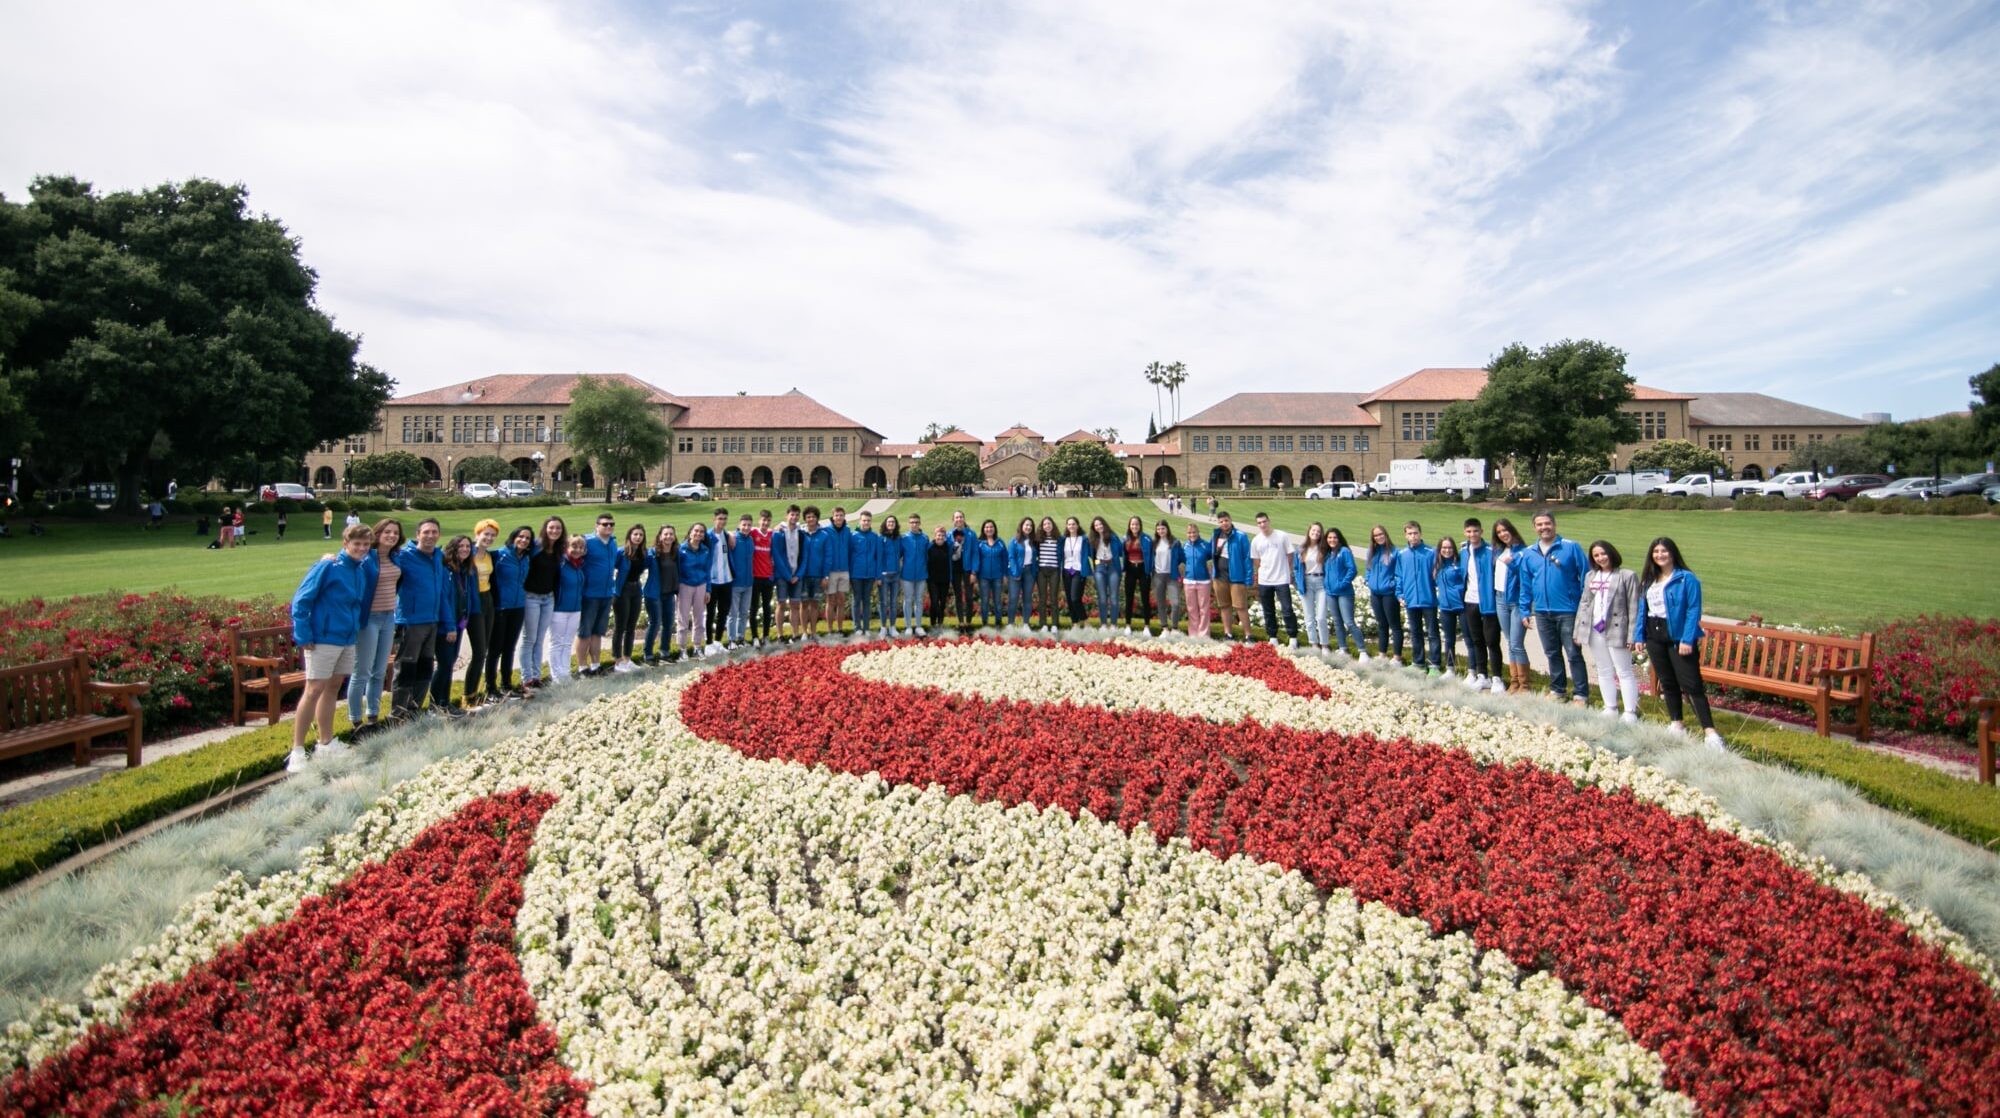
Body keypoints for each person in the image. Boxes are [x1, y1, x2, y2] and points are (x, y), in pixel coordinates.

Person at [286, 523, 377, 771]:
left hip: (346, 638)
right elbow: (302, 600)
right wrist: (303, 634)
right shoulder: (329, 566)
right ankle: (296, 751)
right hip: (324, 638)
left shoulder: (359, 570)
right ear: (345, 544)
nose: (361, 548)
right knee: (314, 689)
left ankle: (325, 743)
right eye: (356, 544)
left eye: (365, 545)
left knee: (333, 688)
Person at [1634, 536, 1726, 750]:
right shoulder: (1649, 581)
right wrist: (1639, 636)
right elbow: (1642, 611)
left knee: (1691, 684)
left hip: (1677, 636)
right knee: (1667, 682)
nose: (1660, 555)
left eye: (1664, 551)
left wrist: (1687, 638)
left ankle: (1710, 732)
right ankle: (1677, 723)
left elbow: (1693, 610)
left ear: (1672, 553)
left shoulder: (1686, 579)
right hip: (1654, 634)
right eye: (1656, 552)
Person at [1519, 511, 1591, 704]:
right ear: (1534, 527)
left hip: (1567, 610)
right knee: (1552, 653)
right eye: (1539, 524)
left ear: (1555, 524)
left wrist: (1584, 608)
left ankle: (1580, 694)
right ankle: (1558, 689)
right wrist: (1525, 610)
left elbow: (1586, 577)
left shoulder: (1570, 547)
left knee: (1573, 653)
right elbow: (1525, 584)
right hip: (1542, 611)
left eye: (1547, 523)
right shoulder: (1529, 553)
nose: (1544, 527)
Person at [388, 517, 453, 720]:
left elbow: (441, 593)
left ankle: (415, 710)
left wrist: (449, 623)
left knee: (425, 668)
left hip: (432, 622)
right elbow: (377, 557)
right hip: (411, 622)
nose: (430, 536)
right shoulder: (404, 556)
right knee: (406, 669)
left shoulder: (438, 557)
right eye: (426, 532)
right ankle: (398, 713)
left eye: (434, 532)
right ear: (418, 535)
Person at [347, 518, 404, 730]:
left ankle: (373, 716)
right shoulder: (366, 557)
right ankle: (355, 721)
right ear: (377, 534)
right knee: (362, 671)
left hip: (389, 617)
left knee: (379, 671)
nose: (391, 536)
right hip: (369, 619)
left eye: (395, 533)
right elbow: (348, 560)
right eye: (387, 532)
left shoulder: (395, 557)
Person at [1576, 540, 1641, 721]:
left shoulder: (1626, 576)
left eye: (1603, 553)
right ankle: (1610, 707)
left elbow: (1634, 606)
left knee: (1624, 670)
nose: (1600, 558)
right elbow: (1585, 603)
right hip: (1595, 628)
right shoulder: (1591, 576)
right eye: (1596, 555)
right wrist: (1578, 630)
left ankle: (1629, 712)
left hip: (1617, 629)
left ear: (1611, 553)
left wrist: (1632, 635)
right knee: (1604, 670)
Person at [432, 535, 480, 713]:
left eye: (468, 546)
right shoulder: (446, 569)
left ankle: (443, 702)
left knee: (449, 663)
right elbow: (444, 598)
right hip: (447, 624)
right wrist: (450, 626)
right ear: (453, 548)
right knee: (445, 664)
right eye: (461, 546)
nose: (465, 549)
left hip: (459, 622)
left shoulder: (464, 569)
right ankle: (437, 703)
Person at [518, 516, 566, 689]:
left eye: (558, 528)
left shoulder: (559, 550)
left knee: (539, 639)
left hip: (548, 599)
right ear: (545, 529)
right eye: (551, 528)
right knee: (529, 639)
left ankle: (536, 676)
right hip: (531, 597)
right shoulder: (536, 547)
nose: (554, 531)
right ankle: (526, 677)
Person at [485, 525, 533, 697]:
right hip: (500, 608)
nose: (524, 540)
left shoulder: (526, 558)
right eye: (521, 536)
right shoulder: (498, 555)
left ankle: (506, 684)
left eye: (527, 538)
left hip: (518, 606)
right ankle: (490, 688)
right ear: (513, 537)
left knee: (509, 648)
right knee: (495, 649)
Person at [1459, 519, 1503, 691]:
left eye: (1475, 531)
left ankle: (1497, 678)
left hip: (1488, 603)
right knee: (1477, 640)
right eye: (1469, 532)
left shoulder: (1492, 551)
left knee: (1492, 641)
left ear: (1481, 531)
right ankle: (1482, 675)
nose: (1472, 535)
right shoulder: (1464, 551)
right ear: (1465, 533)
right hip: (1470, 601)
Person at [462, 519, 502, 702]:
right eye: (485, 534)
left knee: (484, 649)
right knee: (479, 652)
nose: (489, 538)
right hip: (474, 602)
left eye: (492, 535)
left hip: (488, 600)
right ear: (477, 534)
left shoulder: (489, 555)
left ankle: (479, 691)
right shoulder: (467, 553)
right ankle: (468, 695)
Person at [1394, 522, 1439, 674]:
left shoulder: (1431, 552)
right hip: (1410, 600)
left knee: (1432, 633)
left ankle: (1434, 665)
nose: (1413, 536)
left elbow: (1437, 574)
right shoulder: (1402, 554)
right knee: (1415, 633)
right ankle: (1418, 663)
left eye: (1415, 533)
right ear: (1405, 535)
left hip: (1428, 599)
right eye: (1410, 533)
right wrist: (1400, 594)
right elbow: (1399, 576)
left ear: (1420, 533)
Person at [577, 512, 619, 676]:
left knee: (597, 632)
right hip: (589, 594)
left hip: (606, 594)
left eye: (611, 524)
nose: (608, 526)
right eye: (604, 524)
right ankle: (582, 667)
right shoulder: (587, 542)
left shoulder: (613, 543)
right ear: (597, 526)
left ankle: (595, 664)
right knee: (584, 632)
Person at [1251, 512, 1300, 648]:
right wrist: (1264, 571)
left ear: (1269, 521)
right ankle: (1272, 636)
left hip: (1281, 579)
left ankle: (1293, 637)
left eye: (1264, 521)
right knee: (1268, 610)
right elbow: (1256, 560)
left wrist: (1287, 571)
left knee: (1287, 609)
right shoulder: (1256, 540)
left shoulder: (1281, 536)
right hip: (1265, 580)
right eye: (1259, 523)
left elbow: (1290, 554)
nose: (1262, 525)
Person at [1491, 518, 1528, 694]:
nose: (1503, 534)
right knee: (1509, 642)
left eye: (1505, 530)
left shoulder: (1523, 551)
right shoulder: (1499, 551)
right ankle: (1514, 682)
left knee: (1516, 643)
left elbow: (1525, 575)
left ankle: (1524, 684)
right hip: (1500, 599)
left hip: (1516, 601)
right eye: (1499, 532)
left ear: (1512, 530)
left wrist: (1511, 563)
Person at [545, 533, 587, 683]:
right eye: (574, 546)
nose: (577, 550)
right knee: (557, 642)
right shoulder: (561, 564)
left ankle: (565, 672)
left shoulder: (579, 565)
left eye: (581, 547)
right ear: (566, 547)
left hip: (575, 609)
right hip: (559, 609)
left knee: (567, 642)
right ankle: (556, 675)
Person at [610, 523, 650, 671]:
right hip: (623, 590)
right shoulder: (621, 552)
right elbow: (610, 567)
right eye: (635, 534)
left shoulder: (644, 554)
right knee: (620, 627)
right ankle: (618, 661)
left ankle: (627, 659)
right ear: (629, 536)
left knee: (631, 627)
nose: (638, 537)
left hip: (636, 589)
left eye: (640, 535)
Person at [1211, 512, 1254, 641]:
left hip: (1236, 577)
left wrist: (1248, 577)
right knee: (1224, 606)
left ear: (1230, 520)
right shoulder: (1216, 535)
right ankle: (1228, 634)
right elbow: (1212, 553)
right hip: (1220, 576)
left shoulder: (1240, 536)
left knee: (1241, 607)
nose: (1224, 523)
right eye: (1221, 521)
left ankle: (1248, 635)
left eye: (1226, 520)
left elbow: (1247, 558)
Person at [1294, 522, 1332, 652]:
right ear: (1309, 531)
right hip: (1307, 582)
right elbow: (1295, 568)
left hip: (1321, 582)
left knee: (1321, 617)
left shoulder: (1324, 549)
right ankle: (1314, 643)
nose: (1315, 533)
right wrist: (1298, 583)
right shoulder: (1301, 549)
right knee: (1309, 617)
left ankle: (1325, 644)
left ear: (1321, 534)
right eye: (1313, 530)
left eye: (1318, 531)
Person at [644, 525, 680, 661]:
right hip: (654, 595)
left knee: (668, 624)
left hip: (669, 594)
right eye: (665, 534)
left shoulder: (675, 553)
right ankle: (648, 653)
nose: (668, 537)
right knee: (655, 623)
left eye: (671, 534)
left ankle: (664, 651)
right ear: (660, 536)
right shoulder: (653, 554)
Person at [677, 522, 714, 656]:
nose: (698, 534)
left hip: (701, 585)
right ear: (690, 532)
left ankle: (697, 646)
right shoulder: (681, 549)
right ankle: (682, 648)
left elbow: (707, 570)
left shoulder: (705, 550)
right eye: (696, 531)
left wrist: (708, 589)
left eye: (701, 532)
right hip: (685, 585)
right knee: (683, 618)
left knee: (699, 618)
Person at [1325, 527, 1361, 658]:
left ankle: (1362, 651)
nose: (1332, 540)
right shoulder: (1328, 554)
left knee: (1349, 622)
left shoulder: (1344, 551)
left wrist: (1342, 584)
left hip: (1344, 592)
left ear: (1339, 538)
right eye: (1329, 537)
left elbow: (1352, 569)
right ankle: (1343, 648)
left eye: (1334, 537)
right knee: (1337, 622)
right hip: (1330, 593)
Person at [773, 505, 807, 641]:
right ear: (787, 515)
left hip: (796, 575)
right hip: (783, 575)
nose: (794, 517)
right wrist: (788, 575)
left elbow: (805, 556)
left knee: (795, 605)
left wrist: (798, 575)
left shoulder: (801, 533)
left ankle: (795, 634)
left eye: (796, 515)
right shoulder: (778, 533)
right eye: (792, 515)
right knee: (781, 604)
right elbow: (777, 556)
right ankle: (780, 635)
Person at [1433, 537, 1465, 676]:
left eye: (1450, 548)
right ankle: (1450, 668)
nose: (1447, 550)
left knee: (1470, 640)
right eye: (1444, 548)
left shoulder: (1459, 563)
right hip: (1445, 607)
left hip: (1462, 606)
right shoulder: (1437, 565)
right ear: (1440, 549)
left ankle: (1473, 671)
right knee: (1449, 639)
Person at [798, 506, 830, 640]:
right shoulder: (800, 533)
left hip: (818, 575)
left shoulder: (824, 535)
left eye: (813, 517)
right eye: (808, 517)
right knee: (804, 604)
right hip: (803, 575)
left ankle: (814, 632)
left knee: (815, 604)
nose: (811, 519)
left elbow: (828, 556)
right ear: (805, 519)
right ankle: (804, 632)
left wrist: (825, 575)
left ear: (817, 518)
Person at [705, 508, 735, 646]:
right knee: (710, 613)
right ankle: (709, 643)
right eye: (720, 518)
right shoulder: (707, 536)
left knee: (723, 612)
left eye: (724, 518)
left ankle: (717, 641)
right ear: (714, 519)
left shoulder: (726, 535)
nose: (722, 521)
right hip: (712, 581)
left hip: (726, 580)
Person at [898, 512, 931, 634]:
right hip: (907, 575)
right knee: (908, 600)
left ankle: (918, 625)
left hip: (921, 574)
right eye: (912, 522)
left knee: (919, 600)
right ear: (909, 524)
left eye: (916, 522)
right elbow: (899, 555)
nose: (914, 525)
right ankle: (908, 626)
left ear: (920, 523)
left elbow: (928, 556)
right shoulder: (904, 538)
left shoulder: (925, 538)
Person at [850, 510, 881, 638]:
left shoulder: (875, 537)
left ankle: (866, 627)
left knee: (867, 601)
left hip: (870, 575)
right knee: (856, 601)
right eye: (864, 520)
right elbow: (849, 555)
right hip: (856, 574)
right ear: (859, 521)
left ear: (871, 522)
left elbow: (878, 557)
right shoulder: (853, 536)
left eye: (868, 520)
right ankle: (857, 627)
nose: (866, 523)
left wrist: (878, 575)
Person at [1180, 522, 1214, 638]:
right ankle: (1193, 634)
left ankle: (1204, 634)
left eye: (1194, 532)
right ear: (1186, 533)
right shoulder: (1185, 546)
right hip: (1189, 581)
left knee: (1204, 609)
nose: (1192, 534)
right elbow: (1182, 560)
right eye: (1189, 532)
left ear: (1198, 532)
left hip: (1203, 581)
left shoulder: (1205, 545)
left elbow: (1213, 556)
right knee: (1191, 609)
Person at [1149, 520, 1183, 635]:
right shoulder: (1154, 543)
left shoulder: (1175, 542)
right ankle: (1164, 628)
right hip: (1158, 576)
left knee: (1175, 603)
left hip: (1172, 575)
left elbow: (1182, 557)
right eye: (1158, 529)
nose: (1160, 531)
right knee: (1161, 603)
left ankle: (1174, 628)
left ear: (1167, 529)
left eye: (1163, 528)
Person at [1087, 516, 1121, 628]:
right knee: (1102, 597)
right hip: (1099, 567)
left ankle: (1114, 624)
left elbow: (1120, 551)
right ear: (1094, 528)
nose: (1098, 527)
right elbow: (1090, 554)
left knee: (1114, 597)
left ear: (1104, 524)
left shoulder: (1113, 537)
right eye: (1096, 525)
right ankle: (1103, 624)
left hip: (1113, 567)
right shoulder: (1092, 539)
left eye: (1100, 524)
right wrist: (1096, 564)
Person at [972, 519, 1008, 627]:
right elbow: (976, 559)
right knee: (985, 601)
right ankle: (985, 623)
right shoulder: (979, 544)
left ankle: (998, 622)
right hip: (983, 577)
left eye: (991, 527)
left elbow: (1005, 560)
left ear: (994, 529)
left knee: (997, 601)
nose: (989, 529)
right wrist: (974, 573)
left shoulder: (1000, 543)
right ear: (983, 529)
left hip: (997, 577)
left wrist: (1005, 574)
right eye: (987, 527)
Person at [728, 513, 756, 645]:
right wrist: (730, 534)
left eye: (749, 525)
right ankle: (731, 639)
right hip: (735, 583)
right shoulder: (733, 538)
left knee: (744, 613)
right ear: (739, 525)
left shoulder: (750, 540)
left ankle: (740, 637)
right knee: (733, 613)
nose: (746, 527)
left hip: (748, 582)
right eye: (744, 525)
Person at [824, 507, 852, 637]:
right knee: (830, 601)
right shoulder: (826, 531)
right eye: (836, 515)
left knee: (841, 600)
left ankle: (840, 629)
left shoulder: (847, 531)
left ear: (844, 516)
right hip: (831, 570)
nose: (839, 518)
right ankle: (830, 630)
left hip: (844, 570)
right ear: (833, 516)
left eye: (841, 515)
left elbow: (851, 550)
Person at [1123, 515, 1154, 632]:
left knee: (1145, 598)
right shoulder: (1125, 538)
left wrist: (1150, 569)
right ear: (1129, 526)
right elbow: (1123, 554)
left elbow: (1151, 555)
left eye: (1136, 524)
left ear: (1140, 526)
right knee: (1129, 598)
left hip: (1143, 569)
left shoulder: (1146, 539)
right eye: (1132, 524)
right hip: (1130, 569)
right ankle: (1128, 625)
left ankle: (1147, 626)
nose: (1134, 526)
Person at [749, 510, 776, 645]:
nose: (765, 523)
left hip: (768, 577)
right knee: (753, 607)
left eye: (768, 520)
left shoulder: (772, 534)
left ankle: (765, 636)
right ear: (759, 521)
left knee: (767, 608)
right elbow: (738, 532)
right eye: (763, 520)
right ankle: (754, 637)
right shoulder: (753, 533)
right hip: (755, 577)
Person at [1007, 517, 1038, 628]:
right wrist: (1016, 572)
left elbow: (1036, 557)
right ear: (1021, 526)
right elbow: (1011, 557)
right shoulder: (1014, 541)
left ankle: (1026, 624)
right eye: (1026, 525)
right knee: (1014, 598)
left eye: (1030, 525)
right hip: (1016, 572)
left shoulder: (1034, 541)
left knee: (1027, 598)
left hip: (1029, 572)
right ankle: (1010, 623)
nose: (1028, 527)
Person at [948, 510, 977, 628]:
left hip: (967, 569)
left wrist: (974, 572)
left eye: (960, 517)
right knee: (958, 596)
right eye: (956, 517)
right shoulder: (949, 534)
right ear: (953, 520)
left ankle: (969, 621)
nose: (959, 519)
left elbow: (975, 553)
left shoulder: (971, 534)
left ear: (964, 519)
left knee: (969, 597)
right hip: (955, 568)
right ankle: (960, 622)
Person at [1061, 516, 1091, 625]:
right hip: (1066, 570)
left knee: (1075, 598)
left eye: (1073, 524)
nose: (1071, 526)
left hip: (1078, 571)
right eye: (1069, 524)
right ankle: (1075, 624)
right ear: (1066, 526)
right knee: (1069, 599)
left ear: (1078, 525)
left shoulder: (1083, 539)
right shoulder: (1064, 539)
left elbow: (1092, 553)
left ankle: (1086, 623)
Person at [1035, 515, 1063, 628]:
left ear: (1053, 525)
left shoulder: (1059, 539)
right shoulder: (1038, 539)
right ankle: (1043, 624)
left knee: (1053, 598)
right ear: (1042, 526)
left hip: (1054, 571)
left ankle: (1055, 624)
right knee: (1042, 598)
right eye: (1045, 524)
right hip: (1041, 571)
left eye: (1049, 524)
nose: (1047, 526)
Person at [926, 525, 953, 630]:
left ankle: (940, 623)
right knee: (934, 601)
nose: (940, 537)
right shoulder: (930, 547)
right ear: (935, 535)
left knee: (942, 602)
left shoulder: (948, 546)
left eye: (942, 535)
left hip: (945, 579)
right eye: (938, 535)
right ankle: (933, 623)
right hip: (932, 579)